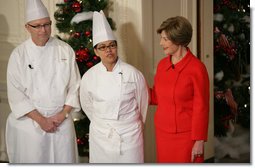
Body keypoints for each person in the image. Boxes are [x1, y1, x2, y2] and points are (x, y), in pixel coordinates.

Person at [6, 0, 81, 163]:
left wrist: (62, 114)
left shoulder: (65, 50)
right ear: (27, 27)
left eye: (47, 24)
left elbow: (75, 86)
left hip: (61, 121)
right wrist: (41, 120)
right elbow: (16, 94)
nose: (43, 30)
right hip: (30, 123)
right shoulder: (18, 55)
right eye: (37, 26)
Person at [79, 10, 149, 163]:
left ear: (116, 47)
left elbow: (143, 105)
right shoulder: (89, 77)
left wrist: (130, 126)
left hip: (129, 135)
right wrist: (103, 123)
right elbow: (87, 104)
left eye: (112, 45)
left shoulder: (133, 74)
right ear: (96, 51)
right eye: (103, 47)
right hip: (101, 135)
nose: (108, 50)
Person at [150, 16, 209, 163]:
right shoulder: (162, 65)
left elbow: (201, 107)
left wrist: (199, 140)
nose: (160, 43)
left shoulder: (197, 68)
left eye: (165, 39)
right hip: (163, 133)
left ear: (178, 40)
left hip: (187, 137)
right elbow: (156, 97)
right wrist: (136, 86)